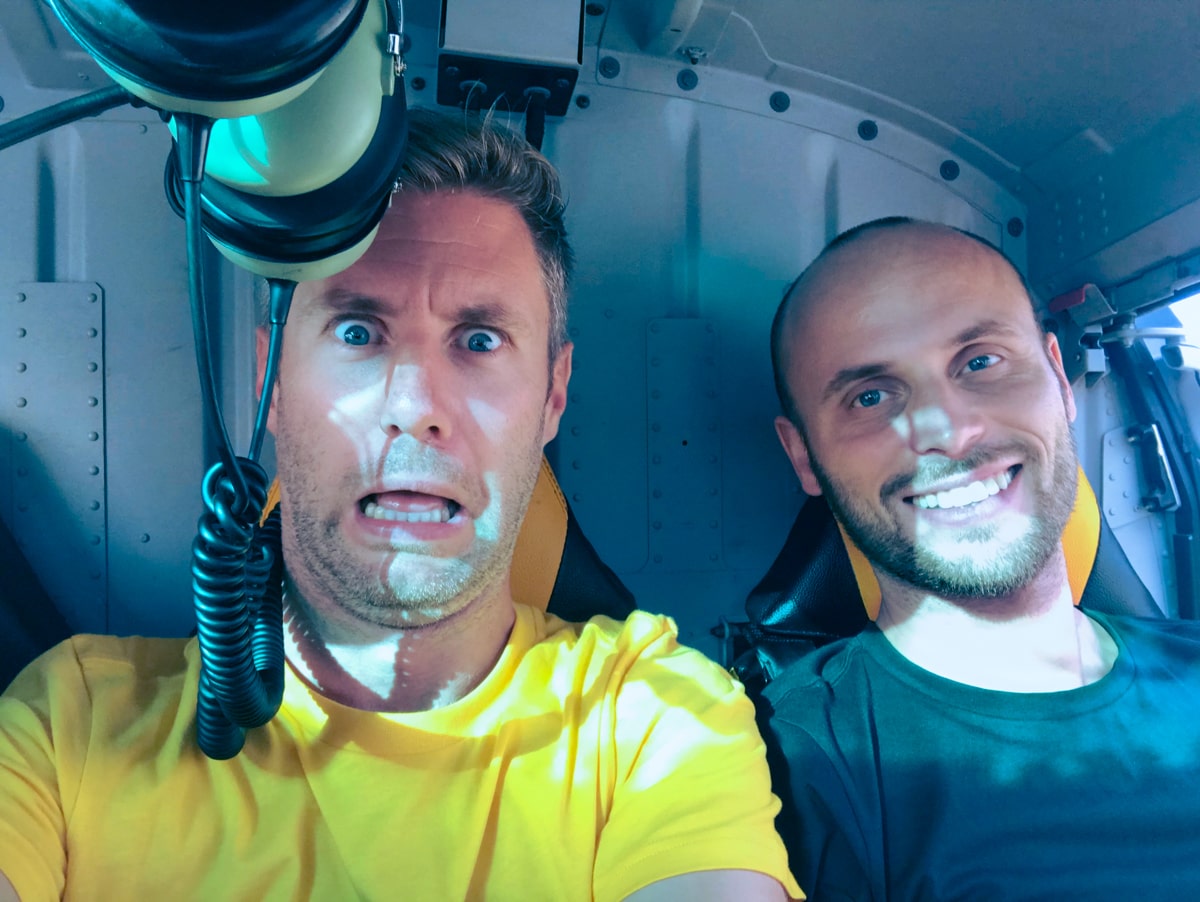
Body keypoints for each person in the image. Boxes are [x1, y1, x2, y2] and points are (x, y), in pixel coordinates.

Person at [0, 109, 801, 902]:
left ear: (555, 394)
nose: (416, 403)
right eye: (358, 333)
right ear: (271, 380)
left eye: (480, 340)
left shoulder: (657, 718)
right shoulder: (71, 719)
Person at [760, 216, 1200, 899]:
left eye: (980, 362)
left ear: (1059, 379)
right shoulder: (790, 768)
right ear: (802, 456)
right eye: (870, 396)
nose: (948, 430)